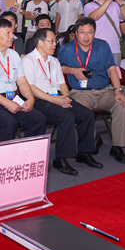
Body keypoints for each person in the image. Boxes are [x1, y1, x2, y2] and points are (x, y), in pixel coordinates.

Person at [21, 28, 101, 174]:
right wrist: (54, 100)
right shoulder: (28, 60)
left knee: (86, 114)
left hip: (57, 96)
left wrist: (66, 98)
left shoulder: (54, 61)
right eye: (51, 41)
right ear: (39, 42)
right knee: (66, 117)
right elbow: (30, 87)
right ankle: (60, 159)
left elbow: (62, 84)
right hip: (40, 99)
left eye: (55, 41)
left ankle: (84, 153)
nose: (55, 44)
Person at [59, 18, 125, 163]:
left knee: (122, 105)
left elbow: (112, 69)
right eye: (82, 32)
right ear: (76, 33)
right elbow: (58, 68)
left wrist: (117, 91)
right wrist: (72, 71)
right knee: (80, 111)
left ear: (94, 33)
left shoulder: (103, 46)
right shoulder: (66, 49)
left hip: (105, 91)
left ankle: (117, 146)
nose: (86, 36)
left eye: (90, 32)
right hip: (80, 93)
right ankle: (93, 139)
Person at [0, 18, 47, 142]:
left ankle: (25, 155)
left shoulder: (13, 55)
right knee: (9, 123)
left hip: (11, 98)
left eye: (13, 32)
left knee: (38, 119)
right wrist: (7, 103)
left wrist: (30, 99)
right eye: (7, 33)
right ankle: (1, 161)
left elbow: (21, 81)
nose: (12, 36)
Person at [84, 0, 125, 66]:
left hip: (115, 48)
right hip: (96, 49)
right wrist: (109, 0)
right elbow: (95, 16)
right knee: (97, 77)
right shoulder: (89, 6)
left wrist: (121, 1)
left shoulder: (115, 5)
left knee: (114, 78)